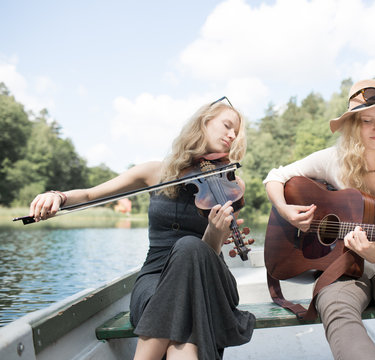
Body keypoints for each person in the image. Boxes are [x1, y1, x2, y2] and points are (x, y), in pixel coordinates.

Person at [28, 97, 255, 360]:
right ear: (204, 122)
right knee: (184, 335)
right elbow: (91, 195)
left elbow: (211, 250)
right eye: (227, 126)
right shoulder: (155, 172)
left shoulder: (230, 183)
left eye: (236, 132)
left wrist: (214, 235)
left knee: (189, 246)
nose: (232, 135)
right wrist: (59, 197)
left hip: (208, 279)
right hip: (155, 279)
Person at [264, 79, 375, 360]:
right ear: (354, 125)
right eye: (368, 121)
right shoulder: (334, 160)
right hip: (341, 266)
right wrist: (286, 211)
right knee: (336, 309)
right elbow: (276, 176)